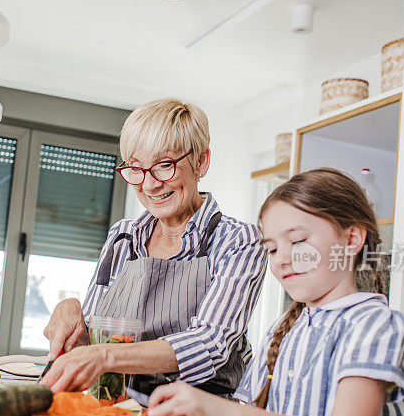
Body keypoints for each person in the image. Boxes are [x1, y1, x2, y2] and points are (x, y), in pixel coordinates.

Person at [145, 168, 404, 416]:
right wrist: (193, 412)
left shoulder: (374, 324)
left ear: (352, 239)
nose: (282, 259)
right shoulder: (285, 327)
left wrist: (225, 414)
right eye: (271, 249)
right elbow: (249, 412)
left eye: (298, 241)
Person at [41, 98, 267, 398]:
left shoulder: (238, 241)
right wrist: (72, 314)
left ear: (201, 162)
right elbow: (97, 340)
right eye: (136, 168)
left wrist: (107, 358)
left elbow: (210, 344)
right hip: (117, 404)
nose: (149, 185)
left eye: (164, 165)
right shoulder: (122, 236)